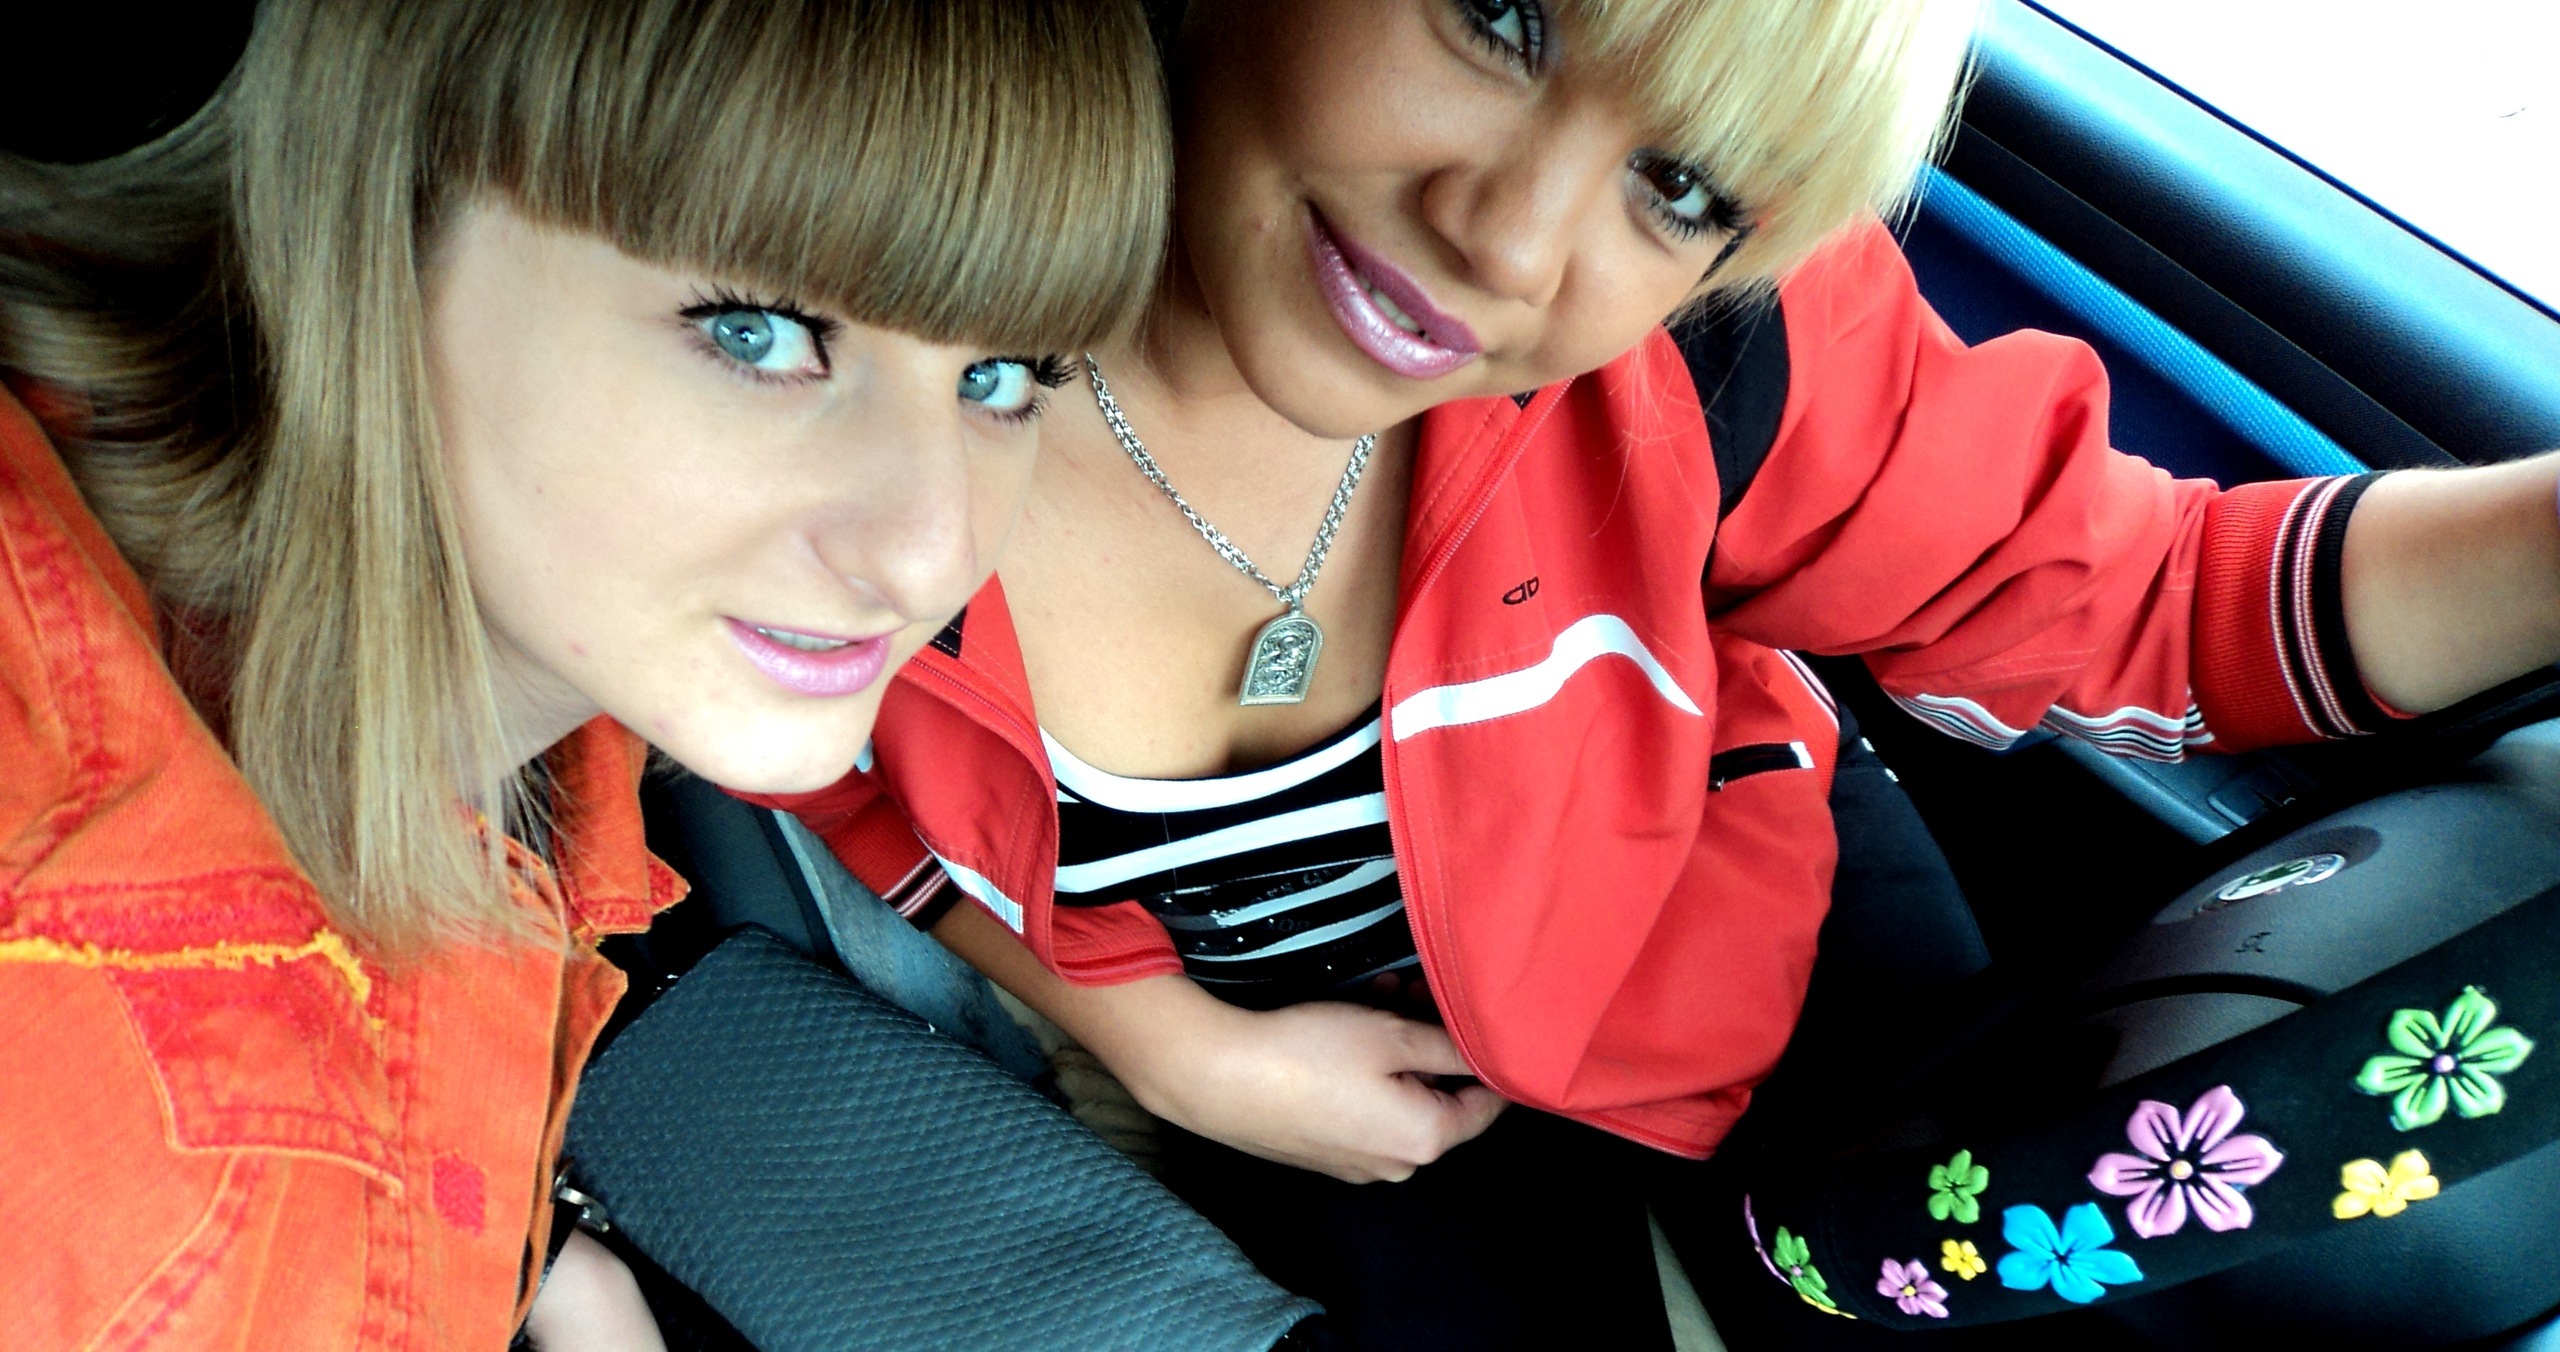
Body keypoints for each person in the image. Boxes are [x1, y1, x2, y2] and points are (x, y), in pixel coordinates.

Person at [760, 0, 2560, 1346]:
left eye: (1679, 184)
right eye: (1502, 16)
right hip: (1289, 1088)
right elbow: (824, 754)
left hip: (1731, 943)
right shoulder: (821, 323)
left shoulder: (1731, 342)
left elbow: (2155, 594)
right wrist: (1160, 1044)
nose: (1511, 241)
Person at [0, 0, 1168, 1347]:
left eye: (1006, 375)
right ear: (377, 209)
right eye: (756, 332)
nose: (928, 551)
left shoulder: (538, 751)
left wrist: (543, 1265)